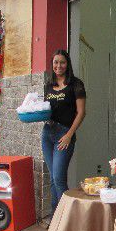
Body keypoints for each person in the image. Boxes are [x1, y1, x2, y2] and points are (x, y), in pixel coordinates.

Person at [42, 50, 86, 219]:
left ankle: (67, 220)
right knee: (53, 179)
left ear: (67, 64)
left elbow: (81, 113)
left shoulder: (76, 84)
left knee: (59, 179)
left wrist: (69, 134)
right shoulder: (48, 85)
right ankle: (55, 218)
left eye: (62, 62)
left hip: (64, 133)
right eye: (55, 62)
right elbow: (47, 110)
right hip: (47, 133)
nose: (58, 66)